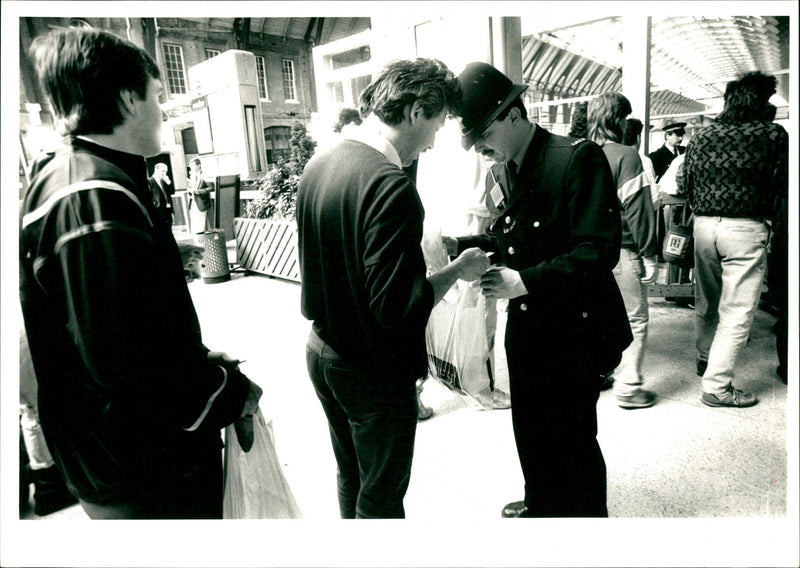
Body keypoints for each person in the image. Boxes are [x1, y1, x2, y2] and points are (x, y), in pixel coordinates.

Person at [19, 28, 262, 519]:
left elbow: (122, 325)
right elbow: (125, 365)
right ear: (128, 99)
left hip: (120, 457)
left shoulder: (76, 175)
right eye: (157, 96)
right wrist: (227, 392)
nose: (163, 111)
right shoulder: (91, 194)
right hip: (139, 467)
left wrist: (192, 353)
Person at [297, 58, 490, 519]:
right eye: (439, 125)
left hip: (322, 350)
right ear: (417, 110)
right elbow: (396, 310)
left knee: (351, 475)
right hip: (370, 369)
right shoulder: (390, 184)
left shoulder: (321, 162)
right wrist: (457, 270)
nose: (434, 142)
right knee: (381, 496)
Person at [446, 62, 631, 517]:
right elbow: (516, 237)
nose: (479, 149)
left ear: (513, 114)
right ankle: (544, 504)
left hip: (575, 331)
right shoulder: (507, 166)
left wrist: (525, 280)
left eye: (482, 134)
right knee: (530, 428)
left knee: (572, 439)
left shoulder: (576, 158)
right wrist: (462, 246)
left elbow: (598, 250)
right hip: (530, 326)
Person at [682, 71, 788, 408]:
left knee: (707, 300)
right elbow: (782, 186)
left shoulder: (701, 136)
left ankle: (704, 358)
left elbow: (689, 182)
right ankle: (717, 386)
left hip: (703, 226)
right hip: (746, 229)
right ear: (761, 100)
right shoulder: (773, 135)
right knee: (737, 311)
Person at [588, 94, 659, 409]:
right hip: (622, 252)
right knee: (635, 317)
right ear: (618, 120)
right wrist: (650, 253)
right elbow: (638, 210)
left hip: (585, 255)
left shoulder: (578, 152)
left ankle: (599, 373)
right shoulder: (627, 156)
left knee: (596, 315)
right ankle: (629, 387)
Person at [623, 118, 660, 211]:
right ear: (639, 138)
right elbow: (654, 197)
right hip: (640, 215)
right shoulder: (644, 161)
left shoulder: (615, 157)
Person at [187, 157, 212, 234]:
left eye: (193, 165)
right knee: (194, 221)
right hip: (193, 201)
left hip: (201, 202)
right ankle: (196, 238)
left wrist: (200, 191)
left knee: (200, 224)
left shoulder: (204, 175)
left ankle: (200, 238)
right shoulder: (192, 176)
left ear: (199, 165)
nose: (191, 167)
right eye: (190, 165)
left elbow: (211, 187)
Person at [148, 162, 174, 227]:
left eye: (166, 171)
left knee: (169, 228)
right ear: (156, 169)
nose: (164, 173)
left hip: (168, 209)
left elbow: (172, 192)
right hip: (158, 210)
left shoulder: (165, 180)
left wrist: (169, 182)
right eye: (163, 171)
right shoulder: (149, 181)